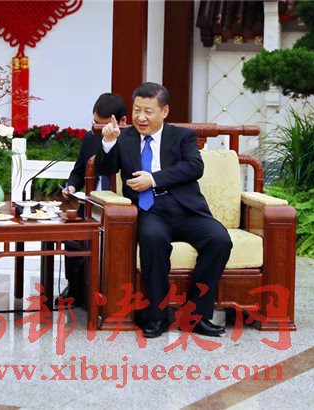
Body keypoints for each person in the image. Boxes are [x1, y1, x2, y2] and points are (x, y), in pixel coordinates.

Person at [95, 82, 232, 338]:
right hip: (150, 210)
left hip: (186, 209)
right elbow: (106, 169)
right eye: (137, 110)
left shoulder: (182, 136)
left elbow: (195, 167)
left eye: (148, 111)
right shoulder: (125, 138)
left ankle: (196, 316)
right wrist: (109, 142)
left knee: (219, 239)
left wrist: (153, 179)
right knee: (152, 240)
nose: (141, 118)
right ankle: (156, 316)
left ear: (164, 111)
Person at [56, 93, 127, 307]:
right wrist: (71, 186)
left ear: (122, 121)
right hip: (89, 203)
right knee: (72, 231)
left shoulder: (132, 141)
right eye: (94, 122)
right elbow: (78, 171)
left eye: (102, 125)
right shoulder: (90, 138)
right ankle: (75, 288)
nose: (97, 129)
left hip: (120, 207)